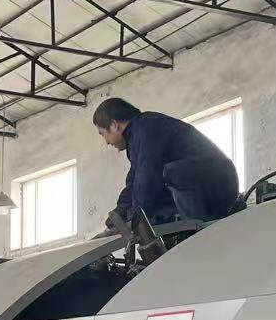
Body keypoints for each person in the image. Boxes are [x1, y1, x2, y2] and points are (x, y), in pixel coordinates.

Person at [94, 97, 240, 230]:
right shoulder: (138, 136)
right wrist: (118, 217)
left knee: (167, 178)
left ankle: (197, 228)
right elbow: (134, 182)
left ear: (114, 125)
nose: (106, 142)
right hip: (203, 185)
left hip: (218, 185)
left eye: (103, 134)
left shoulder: (147, 126)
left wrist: (137, 221)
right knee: (156, 197)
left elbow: (147, 176)